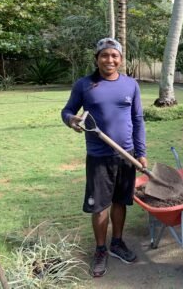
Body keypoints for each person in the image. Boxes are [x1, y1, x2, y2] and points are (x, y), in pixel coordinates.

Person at [61, 38, 147, 277]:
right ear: (97, 58)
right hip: (99, 155)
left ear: (120, 59)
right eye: (105, 55)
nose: (110, 60)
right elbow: (67, 111)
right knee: (100, 206)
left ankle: (117, 242)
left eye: (114, 55)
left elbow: (138, 120)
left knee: (121, 201)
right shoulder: (85, 85)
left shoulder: (130, 85)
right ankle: (100, 249)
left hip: (126, 155)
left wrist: (141, 153)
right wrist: (72, 120)